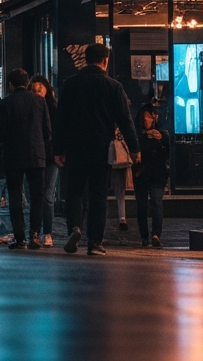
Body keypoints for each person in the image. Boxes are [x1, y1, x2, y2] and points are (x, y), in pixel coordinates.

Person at [54, 43, 140, 256]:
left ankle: (74, 228)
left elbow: (61, 118)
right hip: (102, 147)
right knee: (98, 194)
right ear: (105, 60)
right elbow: (125, 120)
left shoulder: (71, 84)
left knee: (75, 191)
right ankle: (95, 242)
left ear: (85, 59)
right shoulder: (113, 86)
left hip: (75, 147)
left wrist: (58, 148)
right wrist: (135, 148)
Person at [0, 69, 53, 250]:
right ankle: (35, 234)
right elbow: (47, 131)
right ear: (27, 82)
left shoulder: (6, 103)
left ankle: (20, 238)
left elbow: (1, 133)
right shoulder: (39, 101)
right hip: (37, 155)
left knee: (15, 197)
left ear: (10, 84)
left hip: (14, 157)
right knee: (37, 196)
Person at [134, 105, 172, 248]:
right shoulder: (138, 135)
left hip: (157, 174)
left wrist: (161, 138)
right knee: (142, 207)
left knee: (156, 203)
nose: (147, 119)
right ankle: (144, 236)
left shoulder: (161, 134)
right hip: (142, 174)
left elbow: (167, 152)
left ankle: (156, 234)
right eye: (146, 117)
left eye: (150, 116)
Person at [29, 75, 60, 246]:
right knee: (35, 195)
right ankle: (34, 231)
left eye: (41, 87)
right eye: (34, 88)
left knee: (48, 195)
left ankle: (47, 232)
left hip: (50, 157)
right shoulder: (30, 108)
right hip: (33, 156)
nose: (38, 90)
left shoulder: (53, 109)